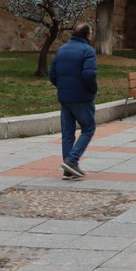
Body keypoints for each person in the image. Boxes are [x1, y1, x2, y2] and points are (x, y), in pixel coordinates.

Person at [48, 22, 98, 179]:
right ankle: (72, 160)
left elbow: (53, 74)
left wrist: (62, 87)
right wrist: (92, 90)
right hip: (82, 97)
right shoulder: (87, 51)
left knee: (68, 134)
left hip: (65, 97)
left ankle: (68, 171)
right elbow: (89, 75)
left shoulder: (62, 50)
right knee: (88, 128)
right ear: (87, 35)